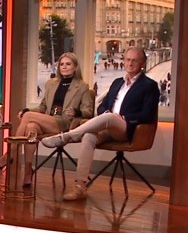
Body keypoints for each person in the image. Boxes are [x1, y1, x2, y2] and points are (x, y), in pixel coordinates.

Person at [41, 46, 159, 201]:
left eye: (135, 60)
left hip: (128, 128)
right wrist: (106, 112)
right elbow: (102, 106)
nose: (130, 63)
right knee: (89, 136)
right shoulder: (117, 82)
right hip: (108, 126)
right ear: (124, 61)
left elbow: (148, 114)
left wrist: (123, 117)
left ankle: (67, 136)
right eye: (128, 59)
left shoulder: (149, 85)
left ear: (142, 63)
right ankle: (80, 187)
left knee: (110, 117)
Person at [0, 53, 94, 186]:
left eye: (68, 64)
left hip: (65, 123)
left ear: (75, 67)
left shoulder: (82, 86)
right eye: (62, 64)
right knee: (30, 127)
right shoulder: (51, 84)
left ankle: (10, 154)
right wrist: (27, 110)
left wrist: (77, 111)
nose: (64, 67)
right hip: (49, 120)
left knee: (28, 117)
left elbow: (89, 111)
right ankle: (28, 172)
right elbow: (42, 107)